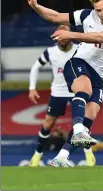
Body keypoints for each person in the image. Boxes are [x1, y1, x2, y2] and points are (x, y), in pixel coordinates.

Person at [26, 0, 103, 167]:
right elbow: (55, 17)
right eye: (98, 10)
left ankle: (61, 157)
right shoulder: (86, 16)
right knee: (84, 90)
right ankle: (77, 129)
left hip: (100, 77)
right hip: (78, 63)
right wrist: (36, 6)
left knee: (89, 118)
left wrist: (71, 34)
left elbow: (101, 36)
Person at [27, 25, 96, 167]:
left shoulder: (79, 49)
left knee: (83, 122)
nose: (63, 38)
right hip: (58, 92)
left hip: (76, 90)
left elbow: (92, 65)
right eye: (60, 35)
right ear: (56, 37)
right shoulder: (50, 52)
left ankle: (89, 154)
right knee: (48, 124)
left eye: (65, 35)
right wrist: (32, 88)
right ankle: (37, 155)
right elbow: (35, 66)